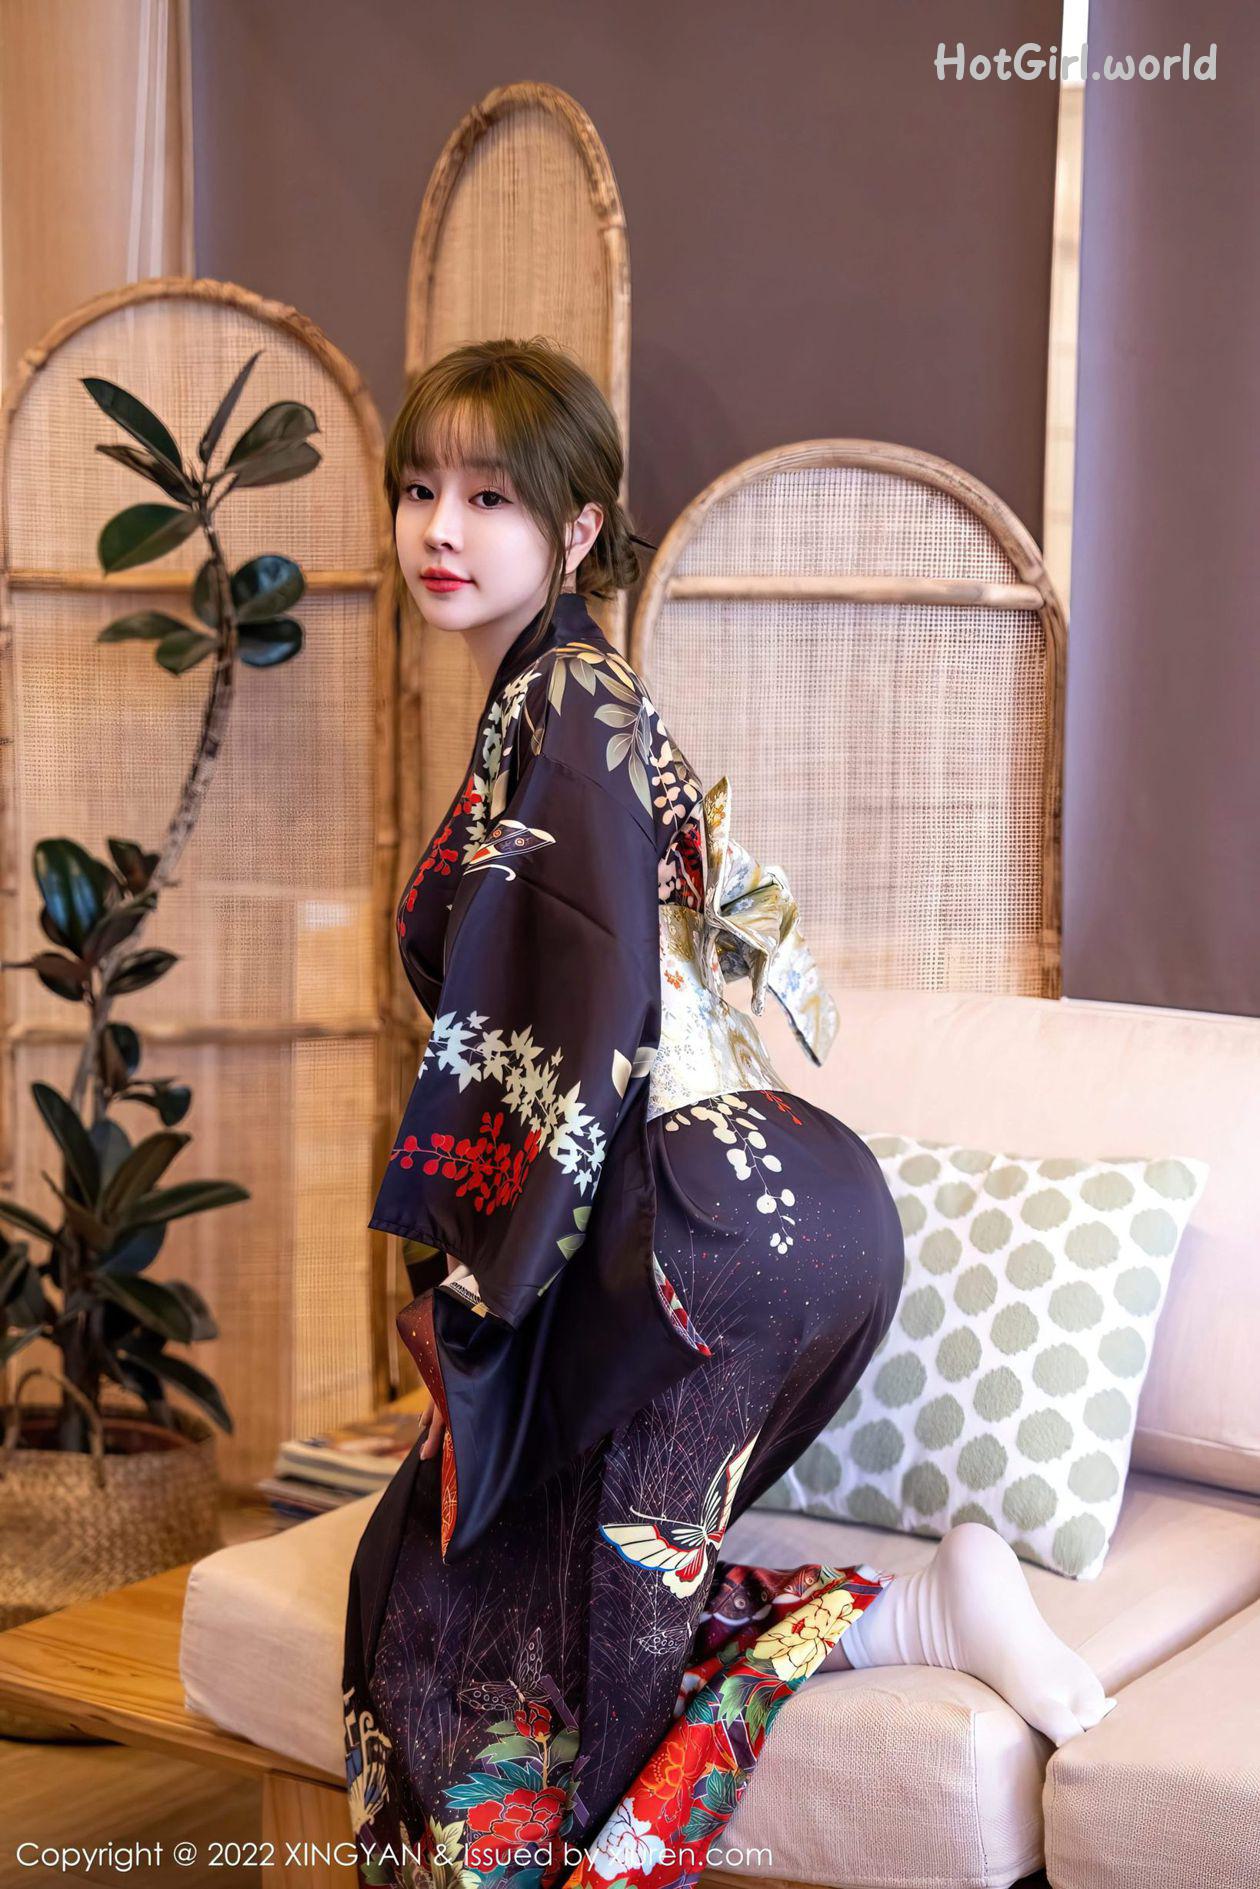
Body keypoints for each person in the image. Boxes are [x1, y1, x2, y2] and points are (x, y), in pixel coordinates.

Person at [341, 339, 1114, 1889]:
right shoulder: (570, 696)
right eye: (420, 489)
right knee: (569, 1592)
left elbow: (577, 1007)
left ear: (577, 529)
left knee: (461, 1649)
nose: (440, 527)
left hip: (690, 1223)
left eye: (490, 497)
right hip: (790, 1202)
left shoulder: (565, 700)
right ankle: (921, 1614)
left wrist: (485, 1290)